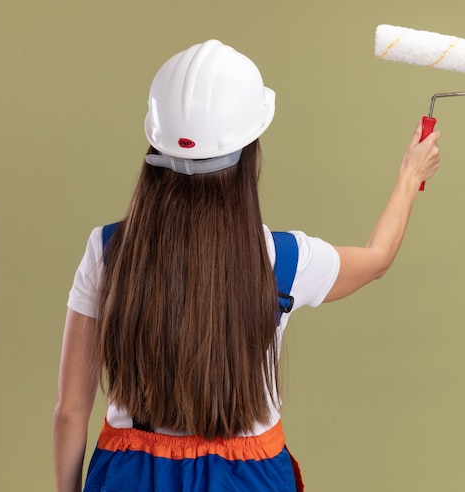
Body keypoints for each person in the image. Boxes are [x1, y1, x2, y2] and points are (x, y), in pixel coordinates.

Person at [53, 39, 440, 492]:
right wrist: (410, 176)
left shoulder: (108, 250)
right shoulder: (283, 259)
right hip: (248, 478)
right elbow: (377, 259)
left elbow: (69, 412)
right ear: (250, 151)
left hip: (128, 475)